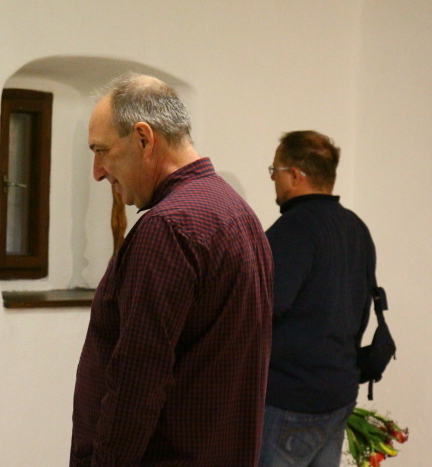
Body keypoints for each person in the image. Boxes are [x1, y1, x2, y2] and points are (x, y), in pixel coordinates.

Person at [70, 72, 273, 466]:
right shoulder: (237, 212)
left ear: (144, 139)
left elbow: (136, 381)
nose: (97, 171)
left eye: (102, 151)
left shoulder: (168, 228)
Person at [259, 131, 376, 466]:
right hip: (339, 394)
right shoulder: (355, 227)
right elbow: (362, 311)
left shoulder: (293, 230)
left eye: (275, 169)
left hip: (290, 401)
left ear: (295, 175)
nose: (272, 178)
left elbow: (263, 308)